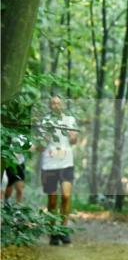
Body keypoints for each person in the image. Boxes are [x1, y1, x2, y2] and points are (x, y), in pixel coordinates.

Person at [38, 96, 78, 245]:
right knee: (52, 200)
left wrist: (73, 136)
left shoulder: (69, 120)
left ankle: (63, 229)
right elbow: (41, 146)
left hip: (66, 163)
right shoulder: (44, 122)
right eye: (52, 103)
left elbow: (74, 141)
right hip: (49, 164)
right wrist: (45, 138)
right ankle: (53, 232)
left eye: (58, 103)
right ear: (50, 106)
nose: (55, 105)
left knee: (66, 196)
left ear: (62, 105)